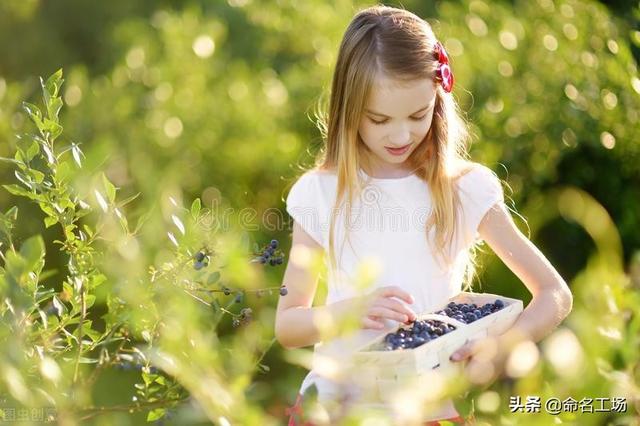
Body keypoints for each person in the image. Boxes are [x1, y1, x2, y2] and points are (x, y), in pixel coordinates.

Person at [275, 4, 573, 425]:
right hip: (338, 409)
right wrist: (350, 311)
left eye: (418, 115)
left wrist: (504, 346)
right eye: (378, 119)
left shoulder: (463, 188)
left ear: (438, 99)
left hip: (430, 411)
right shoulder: (320, 193)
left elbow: (554, 294)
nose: (400, 135)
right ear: (347, 108)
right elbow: (288, 327)